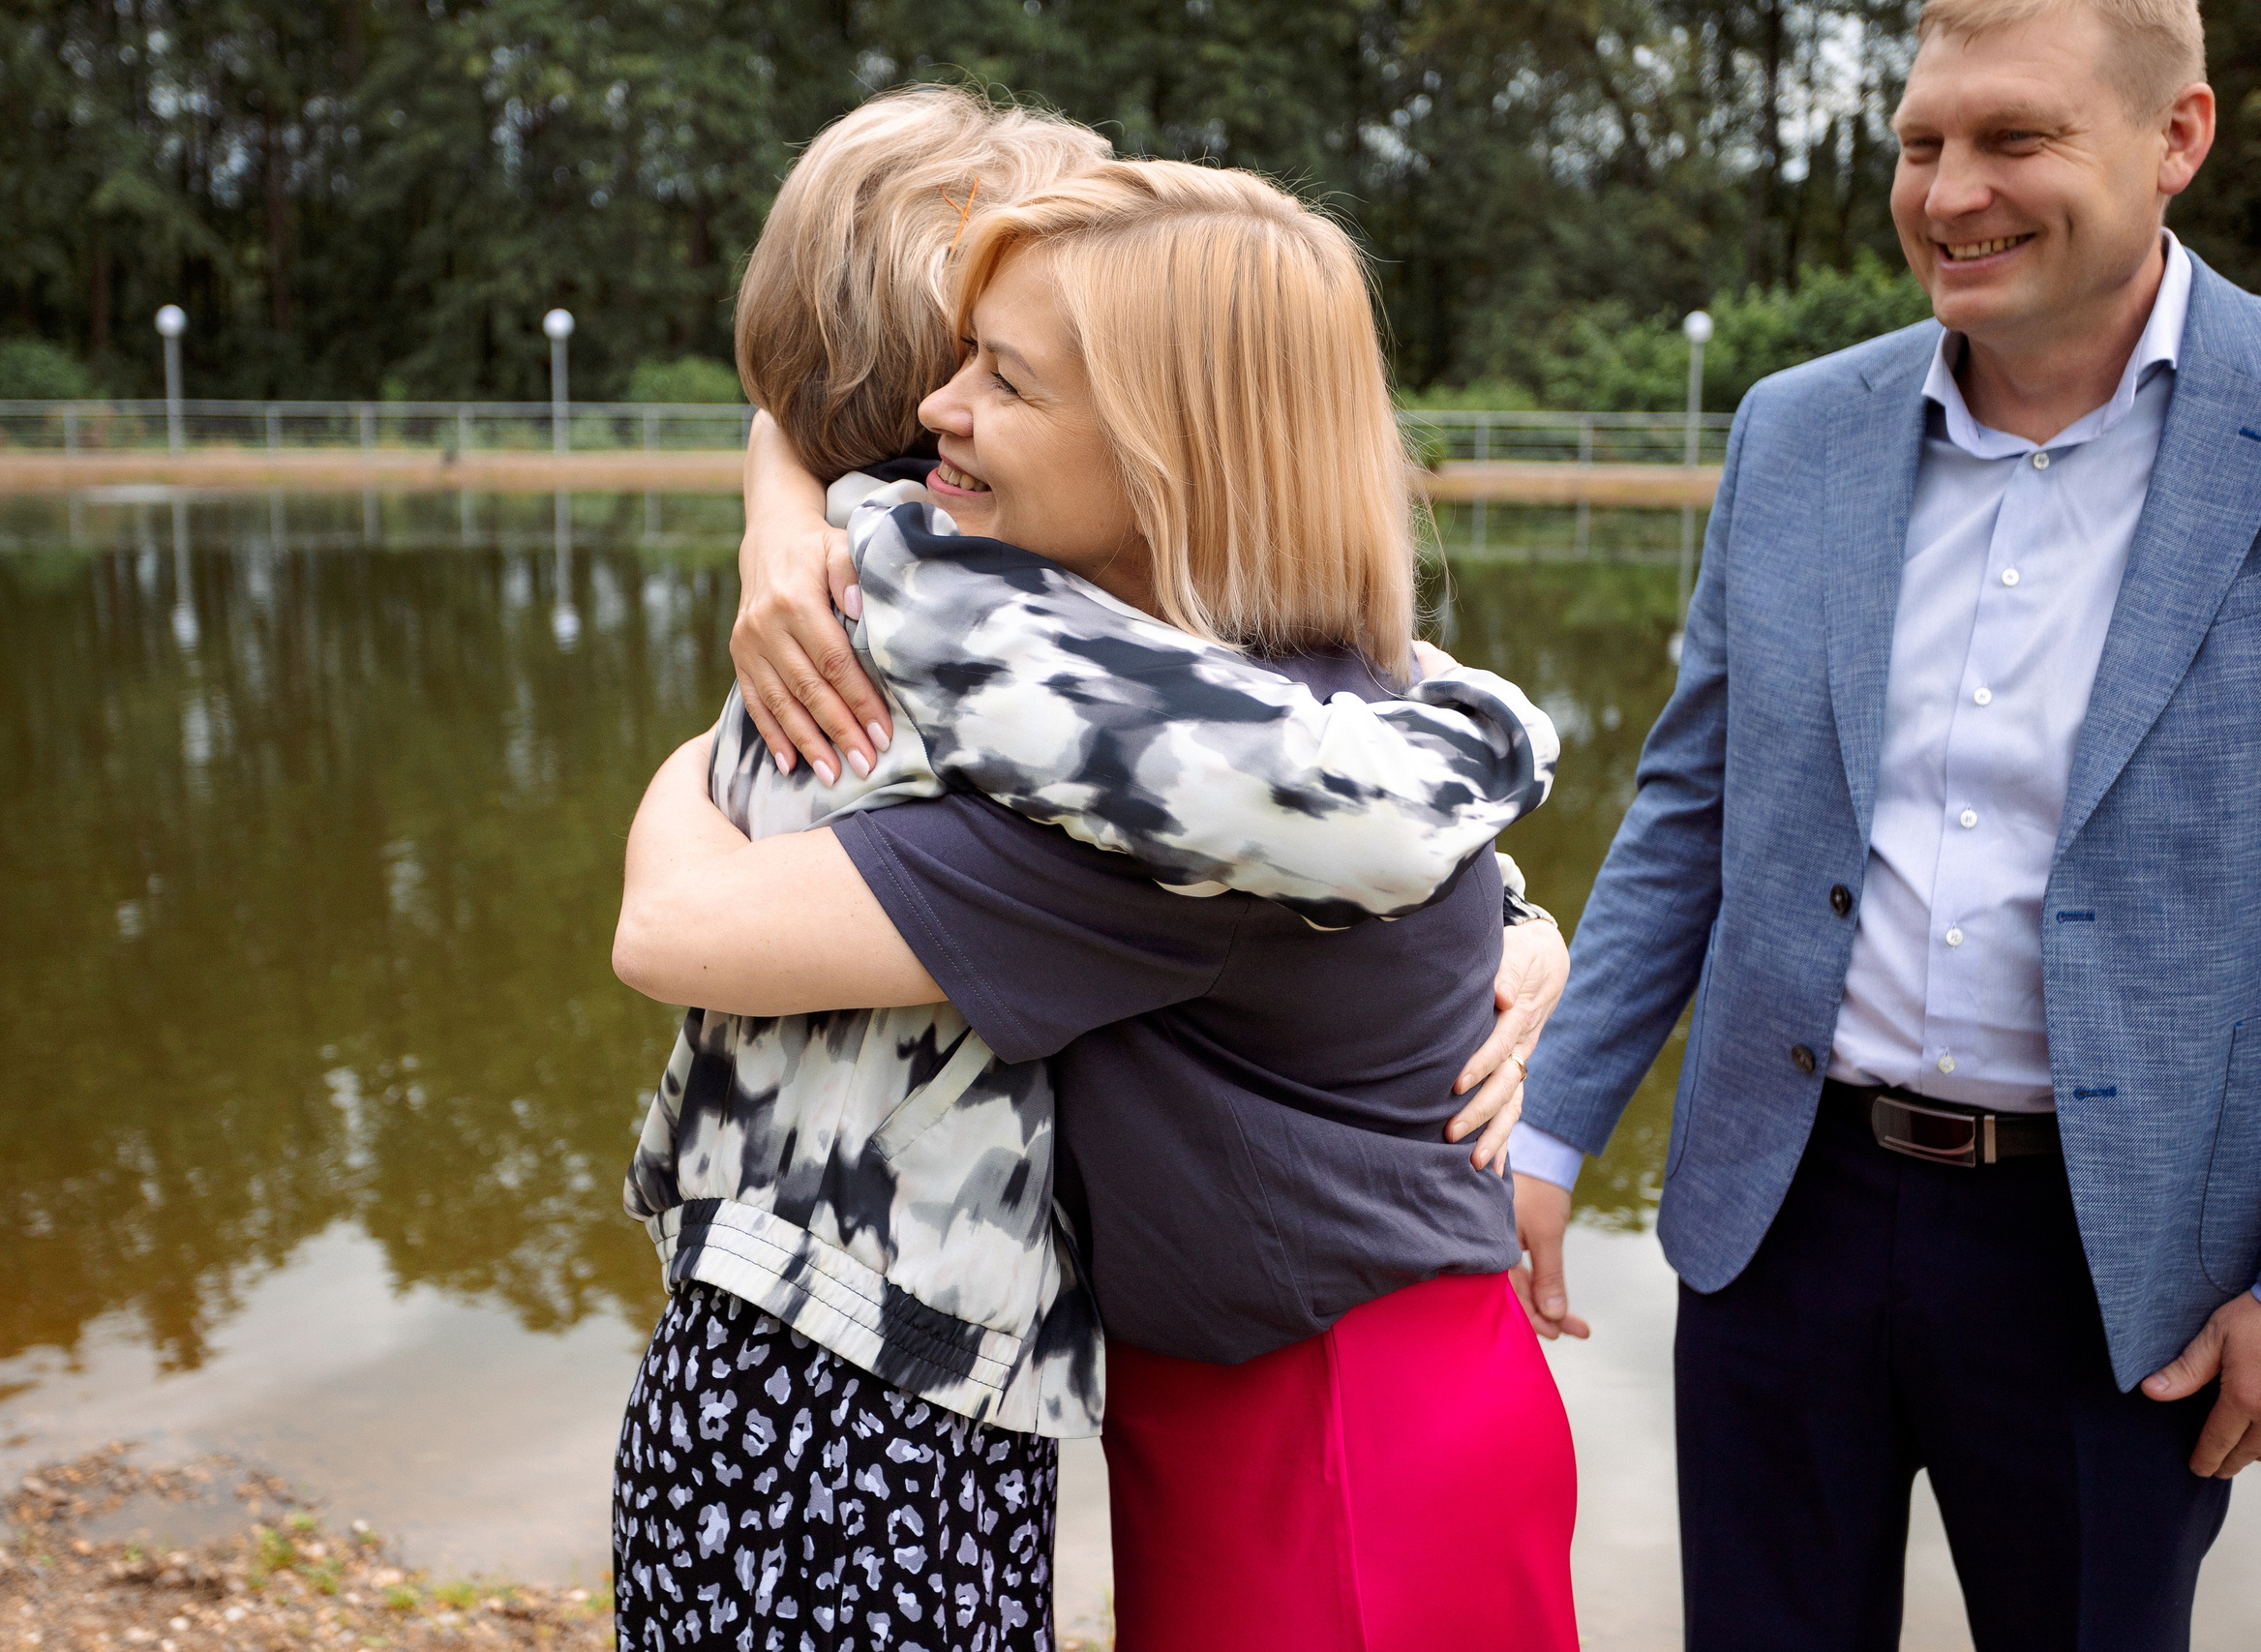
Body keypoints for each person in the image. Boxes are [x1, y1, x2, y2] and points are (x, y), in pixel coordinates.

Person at [611, 91, 1569, 1652]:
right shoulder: (1218, 698)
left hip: (1332, 1425)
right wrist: (778, 485)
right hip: (1254, 1396)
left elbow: (675, 923)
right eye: (949, 363)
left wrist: (705, 731)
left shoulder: (1153, 803)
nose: (938, 411)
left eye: (1001, 376)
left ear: (1165, 447)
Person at [1509, 0, 2260, 1644]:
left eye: (2015, 138)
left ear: (2177, 139)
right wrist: (1551, 1137)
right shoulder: (1796, 428)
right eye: (1923, 143)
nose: (1950, 191)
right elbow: (1692, 809)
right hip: (1782, 1219)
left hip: (2123, 1263)